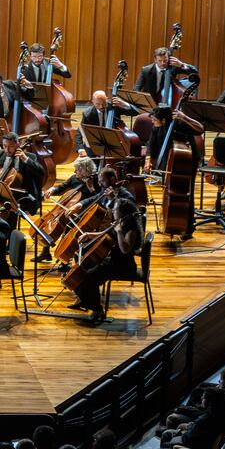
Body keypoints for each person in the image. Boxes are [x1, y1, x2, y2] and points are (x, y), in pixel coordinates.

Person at [69, 199, 145, 324]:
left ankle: (97, 310)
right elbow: (106, 234)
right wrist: (89, 234)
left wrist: (119, 231)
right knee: (82, 271)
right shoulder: (122, 221)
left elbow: (125, 249)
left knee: (88, 276)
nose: (113, 211)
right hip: (114, 261)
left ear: (122, 212)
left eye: (115, 210)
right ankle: (86, 300)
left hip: (123, 266)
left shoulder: (131, 228)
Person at [143, 103, 205, 237]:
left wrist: (185, 117)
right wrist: (148, 160)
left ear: (164, 120)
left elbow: (200, 129)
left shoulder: (179, 125)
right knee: (171, 191)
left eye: (154, 120)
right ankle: (172, 222)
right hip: (171, 162)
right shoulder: (156, 127)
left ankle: (188, 228)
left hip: (187, 161)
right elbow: (150, 144)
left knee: (187, 193)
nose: (153, 123)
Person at [0, 132, 45, 215]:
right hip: (0, 193)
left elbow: (41, 172)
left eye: (11, 146)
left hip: (20, 196)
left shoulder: (30, 157)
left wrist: (25, 159)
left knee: (7, 209)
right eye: (5, 146)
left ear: (18, 144)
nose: (7, 150)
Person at [77, 89, 139, 156]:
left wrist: (123, 104)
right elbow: (80, 131)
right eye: (98, 104)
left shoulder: (114, 107)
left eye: (103, 103)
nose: (101, 107)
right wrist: (81, 149)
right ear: (93, 102)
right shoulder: (88, 114)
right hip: (95, 146)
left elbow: (135, 112)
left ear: (106, 99)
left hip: (115, 143)